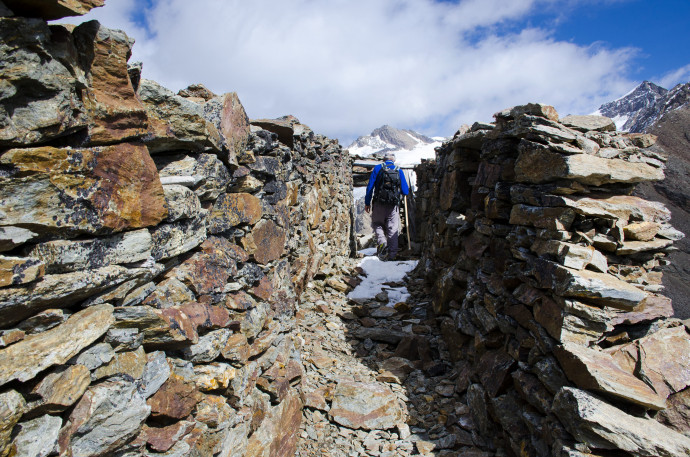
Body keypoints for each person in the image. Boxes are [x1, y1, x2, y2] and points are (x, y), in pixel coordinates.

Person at [364, 152, 409, 261]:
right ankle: (392, 255)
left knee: (377, 224)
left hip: (379, 203)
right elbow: (405, 190)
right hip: (393, 204)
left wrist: (367, 202)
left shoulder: (378, 168)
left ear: (384, 159)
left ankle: (382, 244)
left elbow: (370, 187)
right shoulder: (399, 170)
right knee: (393, 228)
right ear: (394, 160)